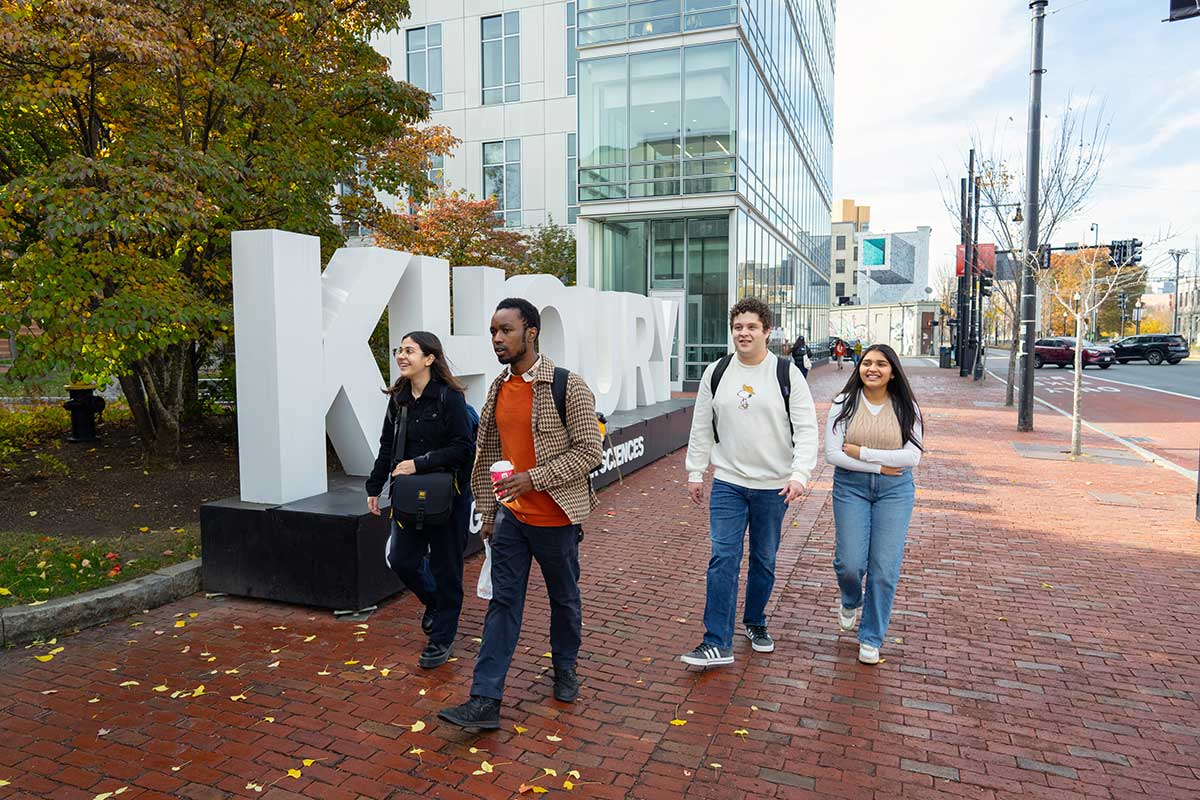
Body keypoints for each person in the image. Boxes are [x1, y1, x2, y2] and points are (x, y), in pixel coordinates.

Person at [439, 298, 603, 730]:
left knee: (563, 600)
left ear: (531, 332)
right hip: (511, 520)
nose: (497, 338)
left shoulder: (569, 385)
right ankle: (484, 700)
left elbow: (590, 452)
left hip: (557, 520)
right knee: (502, 605)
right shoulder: (496, 387)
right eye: (493, 330)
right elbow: (489, 455)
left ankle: (565, 666)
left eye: (506, 330)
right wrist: (490, 513)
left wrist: (534, 478)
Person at [680, 298, 819, 667]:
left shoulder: (787, 374)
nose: (744, 333)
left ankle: (755, 621)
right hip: (728, 481)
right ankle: (716, 641)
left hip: (774, 486)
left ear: (767, 331)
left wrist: (800, 475)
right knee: (723, 557)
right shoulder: (717, 371)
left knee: (763, 560)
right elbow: (700, 426)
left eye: (751, 327)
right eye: (738, 327)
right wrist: (696, 471)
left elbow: (807, 430)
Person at [366, 332, 475, 669]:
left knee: (447, 568)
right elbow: (387, 446)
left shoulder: (450, 398)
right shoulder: (398, 398)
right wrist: (374, 486)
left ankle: (441, 640)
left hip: (448, 498)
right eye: (400, 350)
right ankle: (436, 603)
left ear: (429, 358)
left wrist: (419, 462)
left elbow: (463, 449)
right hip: (409, 498)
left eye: (409, 350)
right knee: (401, 559)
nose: (401, 355)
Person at [823, 344, 923, 665]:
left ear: (893, 370)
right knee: (849, 562)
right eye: (867, 363)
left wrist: (861, 452)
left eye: (881, 364)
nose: (873, 369)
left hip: (896, 492)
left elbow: (912, 457)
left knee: (884, 568)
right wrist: (878, 465)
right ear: (859, 367)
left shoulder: (907, 407)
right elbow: (833, 453)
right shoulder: (844, 403)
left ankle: (871, 636)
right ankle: (851, 598)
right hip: (850, 487)